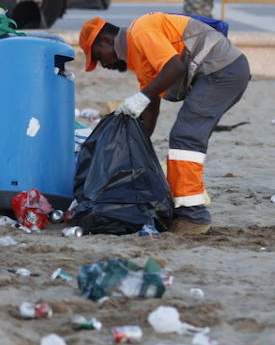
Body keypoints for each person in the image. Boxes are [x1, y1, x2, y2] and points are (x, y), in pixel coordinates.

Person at [78, 13, 250, 235]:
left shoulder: (140, 31)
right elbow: (151, 105)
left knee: (185, 138)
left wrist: (141, 98)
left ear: (104, 41)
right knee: (184, 136)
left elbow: (174, 68)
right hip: (220, 72)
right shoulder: (138, 57)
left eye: (98, 57)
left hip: (222, 71)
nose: (103, 64)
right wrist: (136, 142)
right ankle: (187, 212)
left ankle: (193, 217)